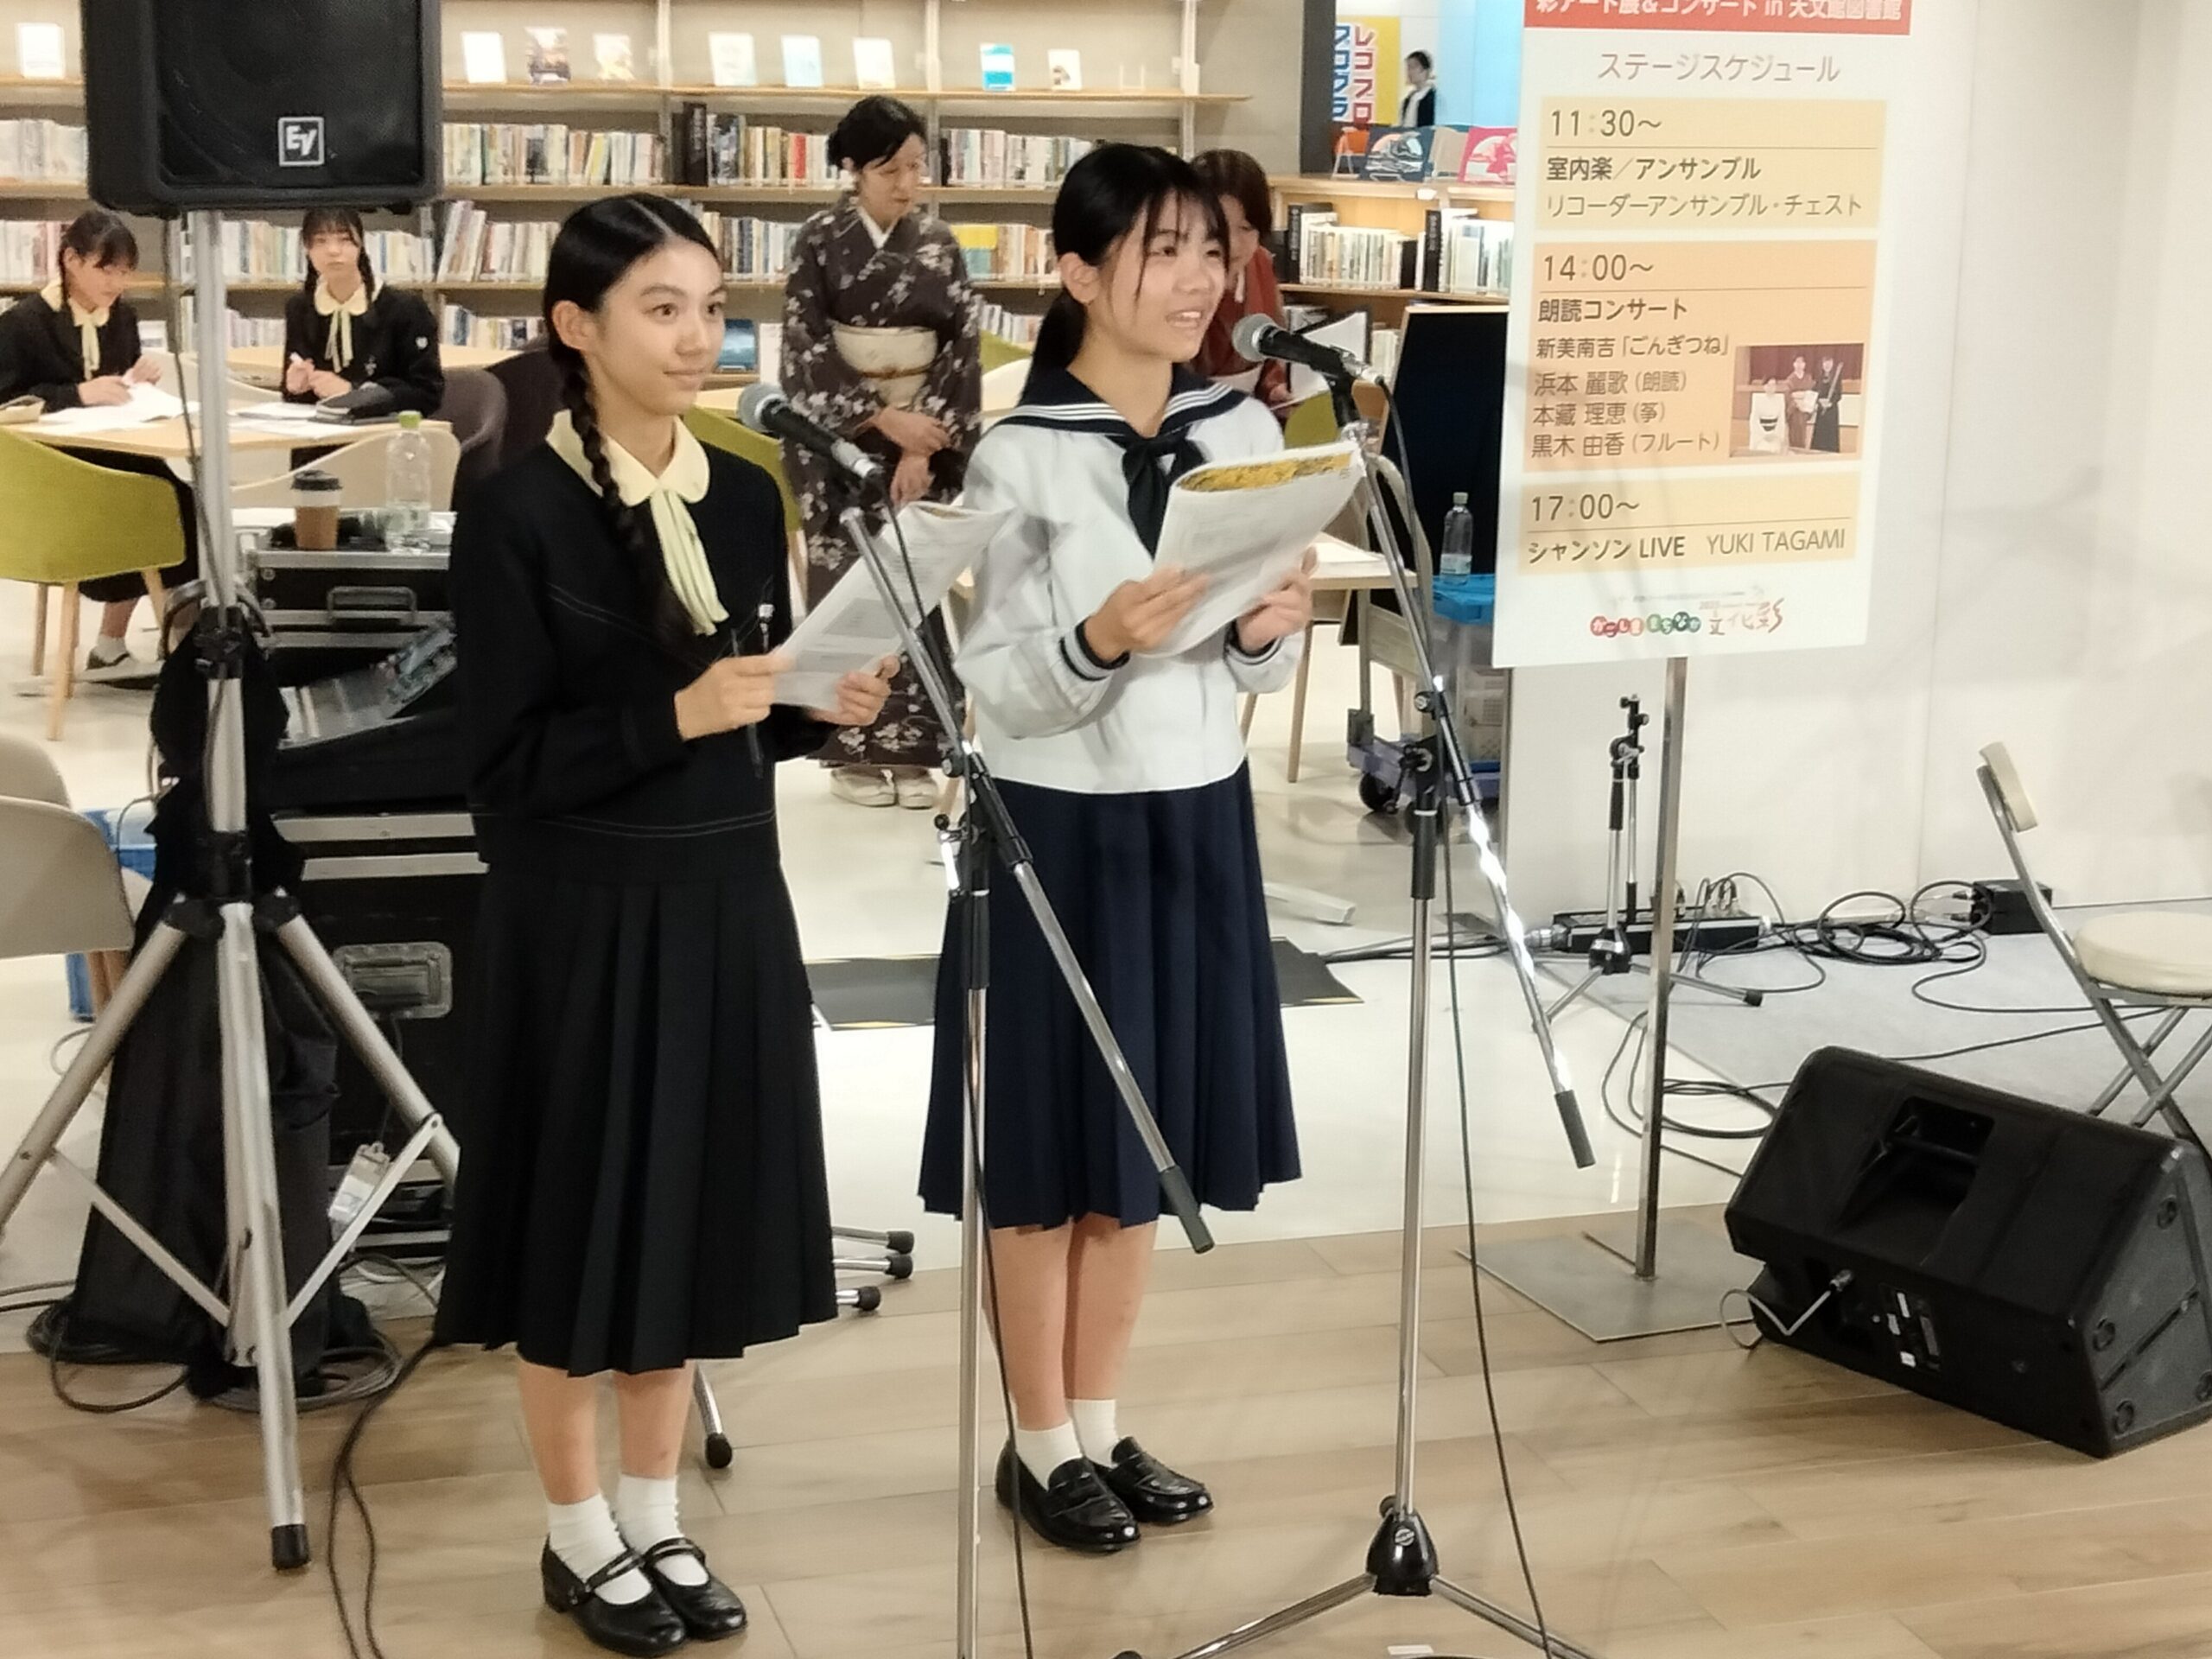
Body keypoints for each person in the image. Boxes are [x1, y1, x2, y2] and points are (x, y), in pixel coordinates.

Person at [432, 194, 898, 1657]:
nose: (699, 337)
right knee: (578, 1230)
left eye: (710, 307)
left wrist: (816, 706)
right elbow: (502, 773)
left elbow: (747, 720)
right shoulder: (516, 512)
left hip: (723, 897)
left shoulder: (747, 495)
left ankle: (657, 1513)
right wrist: (677, 715)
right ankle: (576, 1533)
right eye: (661, 308)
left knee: (684, 1219)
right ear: (575, 326)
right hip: (580, 918)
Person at [918, 145, 1312, 1555]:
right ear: (1078, 273)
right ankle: (1037, 1444)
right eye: (1165, 250)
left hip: (1193, 811)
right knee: (1045, 1146)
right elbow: (994, 687)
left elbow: (1256, 661)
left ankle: (1097, 1421)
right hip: (1055, 823)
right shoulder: (1019, 454)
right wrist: (1096, 641)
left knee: (1146, 1139)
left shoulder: (1246, 427)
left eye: (1213, 248)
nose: (1201, 278)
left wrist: (1263, 637)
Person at [782, 95, 983, 810]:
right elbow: (804, 347)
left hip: (919, 445)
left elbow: (961, 351)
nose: (906, 184)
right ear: (853, 168)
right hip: (838, 447)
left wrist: (923, 444)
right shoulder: (817, 240)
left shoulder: (939, 245)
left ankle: (916, 749)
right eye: (890, 169)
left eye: (916, 168)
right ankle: (851, 750)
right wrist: (879, 419)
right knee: (847, 592)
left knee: (913, 588)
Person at [0, 208, 194, 677]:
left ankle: (158, 641)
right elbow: (6, 401)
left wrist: (135, 382)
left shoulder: (122, 317)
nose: (117, 283)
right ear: (71, 260)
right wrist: (78, 395)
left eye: (125, 272)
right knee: (149, 504)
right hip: (55, 468)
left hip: (114, 450)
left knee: (184, 501)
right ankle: (143, 644)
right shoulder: (23, 322)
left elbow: (116, 388)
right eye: (106, 270)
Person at [280, 207, 445, 413]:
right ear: (307, 248)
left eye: (344, 239)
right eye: (320, 241)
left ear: (361, 244)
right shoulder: (300, 307)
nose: (333, 250)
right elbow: (299, 400)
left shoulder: (405, 308)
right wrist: (295, 389)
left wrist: (353, 393)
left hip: (384, 427)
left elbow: (427, 395)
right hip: (320, 428)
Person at [1191, 149, 1291, 414]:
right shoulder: (1176, 280)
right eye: (1219, 229)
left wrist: (1275, 389)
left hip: (1248, 417)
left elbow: (1271, 346)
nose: (1233, 244)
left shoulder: (1260, 262)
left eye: (1246, 228)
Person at [1813, 353, 1846, 453]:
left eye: (1829, 363)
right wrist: (1820, 401)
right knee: (1820, 432)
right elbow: (1815, 392)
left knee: (1830, 432)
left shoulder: (1836, 378)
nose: (1827, 365)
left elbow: (1839, 394)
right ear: (1822, 365)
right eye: (1825, 363)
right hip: (1821, 410)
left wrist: (1831, 402)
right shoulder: (1819, 378)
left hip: (1832, 410)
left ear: (1832, 364)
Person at [1746, 377, 1788, 454]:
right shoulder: (1758, 399)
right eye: (1769, 385)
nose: (1771, 388)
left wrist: (1775, 434)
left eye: (1773, 385)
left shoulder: (1780, 399)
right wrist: (1764, 434)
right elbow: (1754, 420)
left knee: (1776, 450)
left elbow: (1781, 419)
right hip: (1761, 435)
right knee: (1762, 450)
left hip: (1775, 435)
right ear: (1764, 386)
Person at [1783, 353, 1815, 452]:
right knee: (1794, 435)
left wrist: (1806, 404)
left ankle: (1802, 453)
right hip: (1794, 412)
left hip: (1804, 410)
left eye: (1801, 362)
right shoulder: (1790, 379)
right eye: (1797, 362)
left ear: (1805, 364)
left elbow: (1811, 393)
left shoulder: (1808, 378)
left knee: (1803, 434)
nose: (1799, 365)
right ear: (1793, 364)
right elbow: (1788, 395)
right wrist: (1796, 403)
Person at [1399, 50, 1439, 126]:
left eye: (1413, 67)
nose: (1409, 72)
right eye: (1408, 68)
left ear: (1425, 70)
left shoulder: (1433, 98)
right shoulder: (1408, 99)